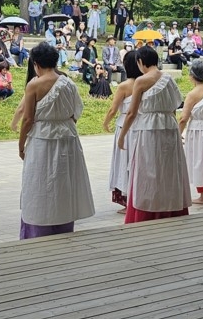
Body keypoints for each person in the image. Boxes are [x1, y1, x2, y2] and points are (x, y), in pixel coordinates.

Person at [15, 43, 95, 238]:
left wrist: (21, 145)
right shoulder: (67, 82)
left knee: (40, 183)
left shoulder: (34, 84)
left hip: (43, 138)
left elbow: (27, 119)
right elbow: (77, 111)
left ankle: (38, 230)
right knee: (63, 182)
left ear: (36, 63)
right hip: (67, 137)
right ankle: (63, 227)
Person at [117, 46, 190, 223]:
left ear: (140, 62)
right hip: (169, 127)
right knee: (168, 170)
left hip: (149, 129)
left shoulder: (141, 81)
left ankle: (148, 210)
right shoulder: (168, 79)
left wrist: (122, 136)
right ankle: (171, 209)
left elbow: (132, 112)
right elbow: (174, 107)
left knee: (148, 170)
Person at [103, 50, 141, 210]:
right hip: (140, 125)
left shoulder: (124, 86)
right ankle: (137, 197)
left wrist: (105, 122)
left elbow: (113, 109)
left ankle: (128, 199)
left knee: (124, 162)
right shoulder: (146, 84)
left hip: (124, 125)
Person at [178, 59, 203, 206]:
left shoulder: (192, 94)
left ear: (192, 75)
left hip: (197, 130)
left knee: (199, 161)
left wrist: (177, 134)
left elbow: (183, 118)